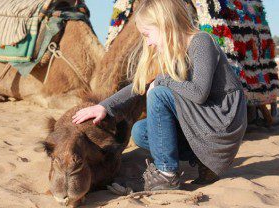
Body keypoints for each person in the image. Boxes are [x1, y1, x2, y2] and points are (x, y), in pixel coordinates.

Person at [72, 0, 247, 191]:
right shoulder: (174, 52)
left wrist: (163, 81)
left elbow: (199, 93)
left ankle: (166, 174)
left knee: (159, 94)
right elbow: (138, 87)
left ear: (165, 23)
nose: (148, 42)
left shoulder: (201, 41)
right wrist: (104, 106)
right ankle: (201, 160)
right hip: (206, 120)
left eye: (147, 35)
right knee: (141, 131)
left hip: (222, 121)